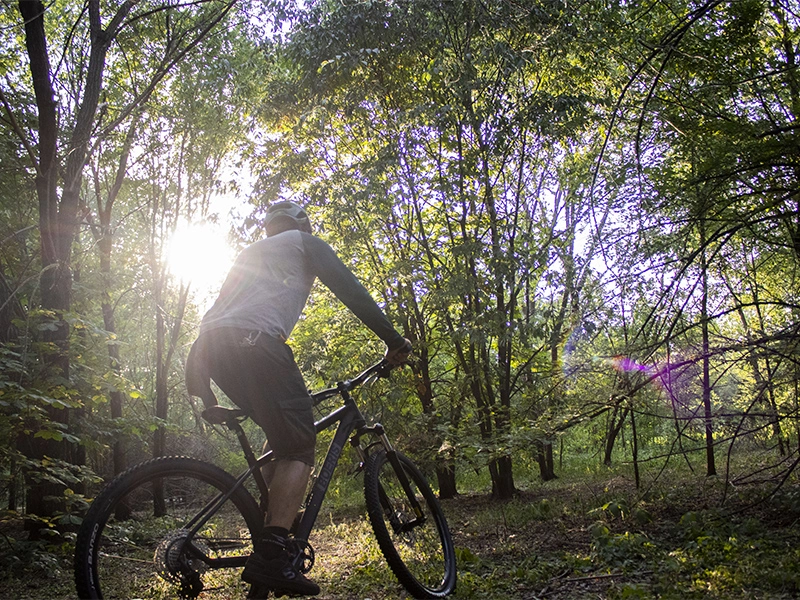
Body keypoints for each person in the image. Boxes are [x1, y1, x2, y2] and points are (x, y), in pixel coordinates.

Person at [185, 201, 412, 597]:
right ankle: (272, 555)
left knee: (281, 435)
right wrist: (393, 340)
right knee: (299, 446)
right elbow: (350, 289)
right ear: (301, 223)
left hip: (211, 351)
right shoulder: (304, 242)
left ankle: (272, 526)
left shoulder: (249, 253)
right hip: (256, 343)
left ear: (269, 226)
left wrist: (202, 390)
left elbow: (215, 315)